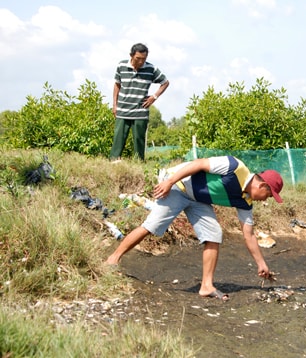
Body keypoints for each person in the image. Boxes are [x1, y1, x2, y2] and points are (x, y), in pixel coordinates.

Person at [106, 156, 284, 300]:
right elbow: (199, 164)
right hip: (178, 186)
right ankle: (113, 260)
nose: (266, 200)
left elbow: (249, 235)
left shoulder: (246, 202)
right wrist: (169, 182)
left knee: (214, 234)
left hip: (198, 199)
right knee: (152, 226)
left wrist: (261, 263)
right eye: (269, 195)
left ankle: (206, 286)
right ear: (262, 185)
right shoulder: (235, 167)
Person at [110, 43, 170, 161]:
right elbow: (117, 84)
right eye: (138, 58)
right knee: (118, 140)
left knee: (139, 141)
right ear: (131, 56)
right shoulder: (121, 65)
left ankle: (139, 165)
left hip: (140, 111)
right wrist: (114, 105)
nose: (141, 61)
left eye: (144, 59)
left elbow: (165, 82)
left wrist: (154, 97)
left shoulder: (151, 69)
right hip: (122, 110)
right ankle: (113, 162)